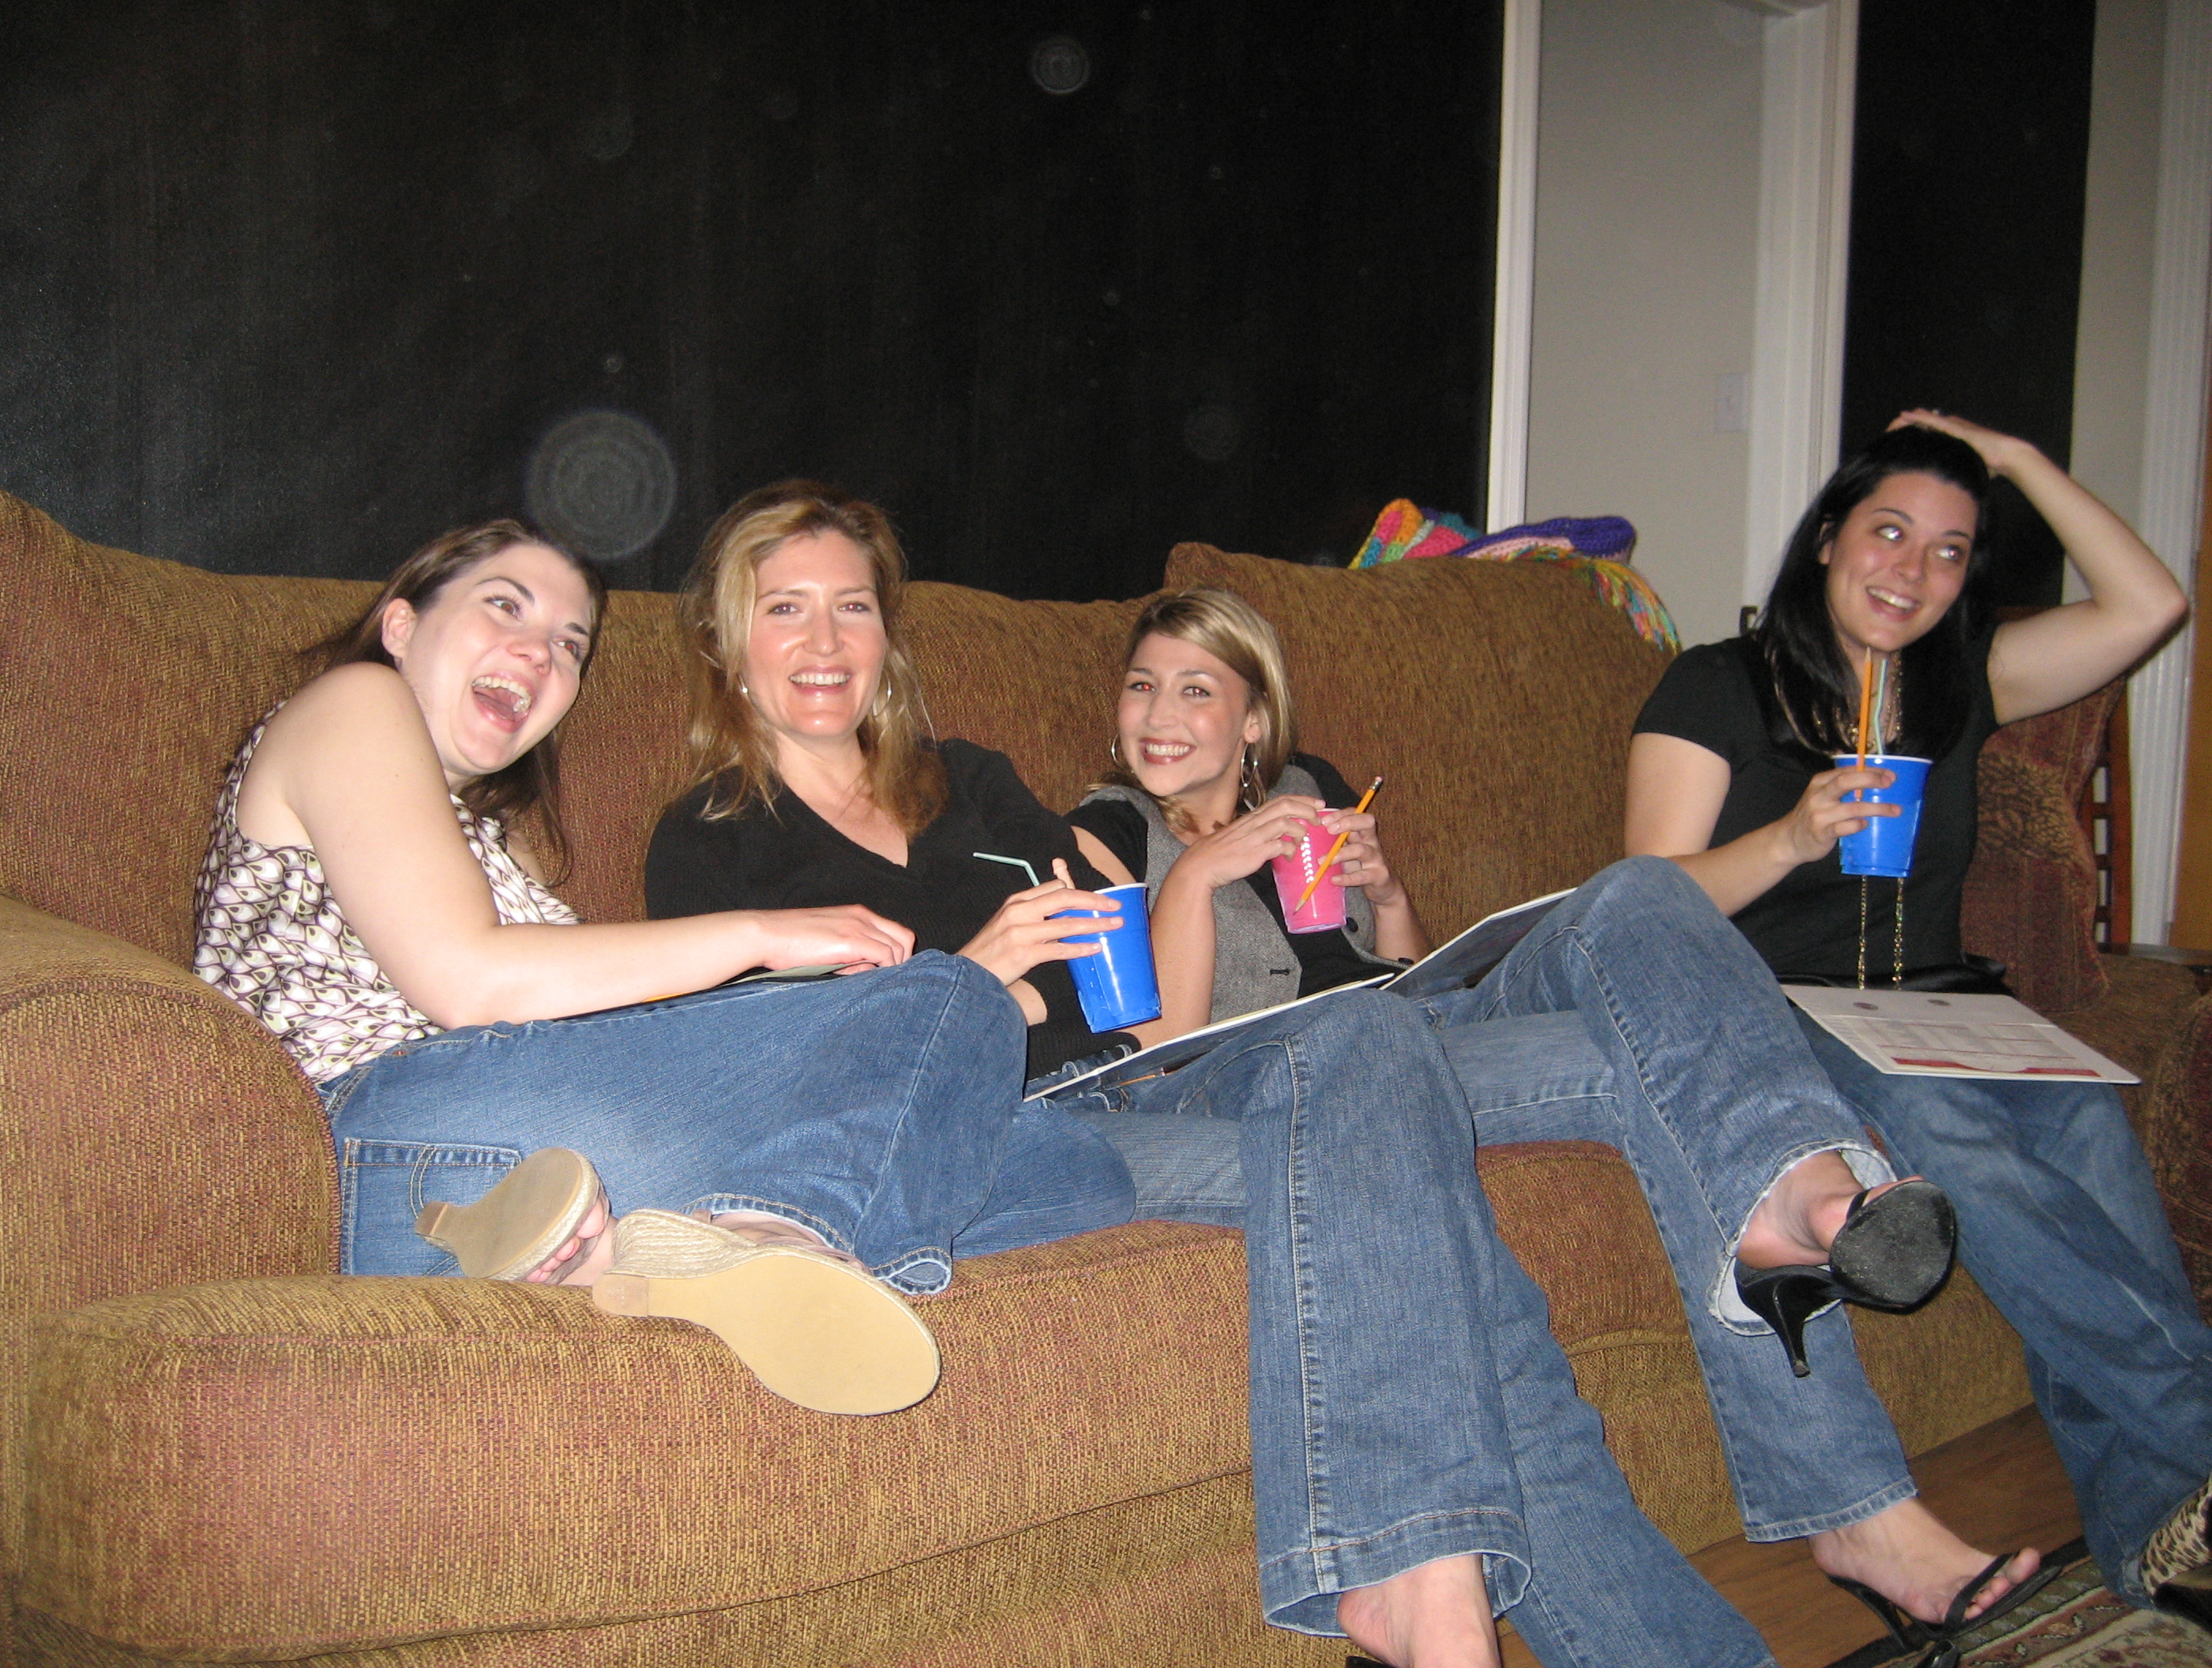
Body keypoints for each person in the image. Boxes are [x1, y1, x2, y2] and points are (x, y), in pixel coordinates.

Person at [645, 482, 1963, 1666]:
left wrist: (1114, 956)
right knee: (1399, 1147)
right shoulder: (710, 844)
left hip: (1139, 1068)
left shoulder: (969, 781)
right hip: (1028, 1129)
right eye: (784, 608)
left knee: (1578, 971)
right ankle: (1502, 1597)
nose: (824, 640)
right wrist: (976, 977)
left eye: (852, 606)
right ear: (727, 639)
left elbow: (1109, 970)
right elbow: (778, 1080)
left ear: (888, 632)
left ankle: (1771, 1256)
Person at [1059, 582, 2061, 1648]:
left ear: (1255, 719)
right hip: (1257, 1075)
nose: (1158, 714)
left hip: (1412, 1037)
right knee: (1522, 1062)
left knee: (1642, 898)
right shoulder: (1102, 829)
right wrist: (1202, 869)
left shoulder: (1316, 793)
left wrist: (1387, 895)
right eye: (1141, 686)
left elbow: (1402, 977)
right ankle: (1851, 1509)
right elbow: (1162, 1047)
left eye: (1195, 690)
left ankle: (1792, 1183)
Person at [192, 519, 1143, 1418]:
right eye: (505, 606)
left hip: (532, 1193)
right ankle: (785, 1235)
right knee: (943, 998)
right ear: (401, 625)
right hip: (395, 1137)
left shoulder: (484, 836)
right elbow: (468, 982)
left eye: (569, 643)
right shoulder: (354, 701)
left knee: (1077, 1169)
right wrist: (762, 935)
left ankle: (664, 1256)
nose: (540, 652)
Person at [1623, 411, 2211, 1628]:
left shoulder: (1957, 686)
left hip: (1942, 1007)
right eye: (1888, 532)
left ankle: (2160, 1526)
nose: (1914, 570)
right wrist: (1792, 837)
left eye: (1950, 550)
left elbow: (2152, 605)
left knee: (2089, 1131)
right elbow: (1642, 903)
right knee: (1953, 1136)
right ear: (1828, 538)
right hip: (1777, 1014)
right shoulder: (1719, 685)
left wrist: (2019, 463)